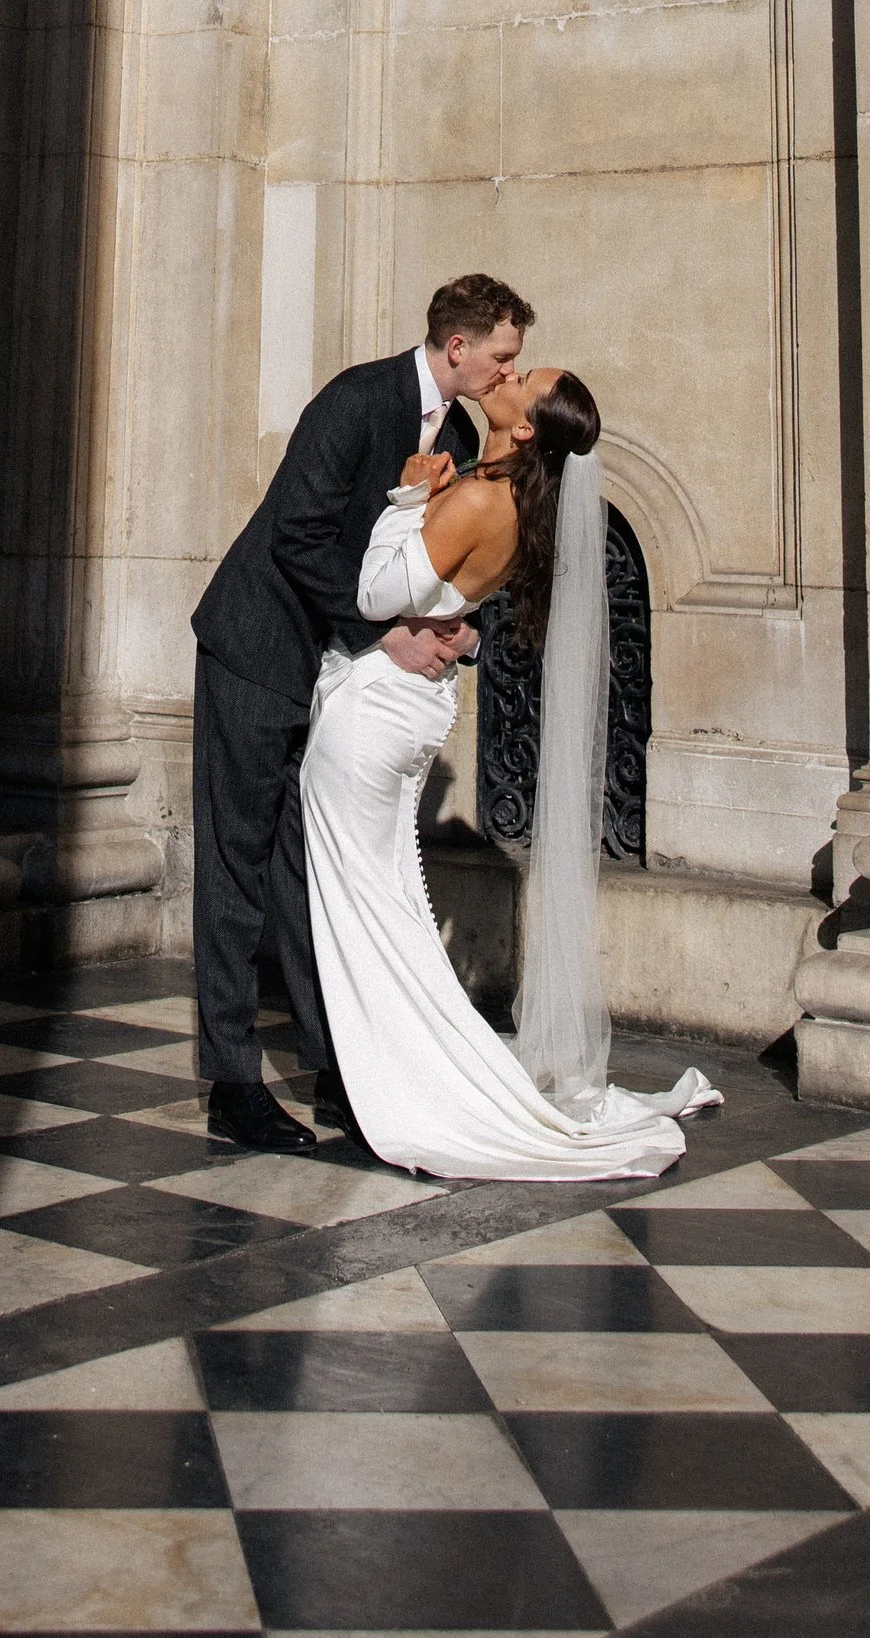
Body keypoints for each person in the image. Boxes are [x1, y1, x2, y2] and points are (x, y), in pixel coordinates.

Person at [299, 364, 720, 1178]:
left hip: (376, 709)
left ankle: (420, 1087)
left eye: (523, 376)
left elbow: (376, 591)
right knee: (389, 908)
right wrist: (458, 624)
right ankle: (401, 1069)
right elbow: (456, 605)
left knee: (368, 915)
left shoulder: (483, 498)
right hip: (411, 711)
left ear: (526, 427)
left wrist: (407, 499)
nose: (509, 371)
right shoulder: (510, 497)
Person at [188, 274, 532, 1149]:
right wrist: (385, 642)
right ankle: (232, 1081)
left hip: (334, 671)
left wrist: (452, 628)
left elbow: (427, 557)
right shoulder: (356, 398)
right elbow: (297, 532)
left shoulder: (455, 430)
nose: (506, 374)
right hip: (259, 648)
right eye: (502, 356)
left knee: (309, 873)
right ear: (458, 348)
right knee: (238, 861)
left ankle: (338, 1070)